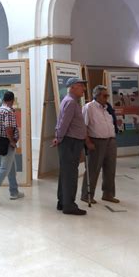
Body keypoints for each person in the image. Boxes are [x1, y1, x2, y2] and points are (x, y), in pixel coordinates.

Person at [51, 78, 88, 215]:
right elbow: (64, 123)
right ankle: (69, 205)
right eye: (80, 86)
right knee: (71, 174)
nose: (83, 89)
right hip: (71, 142)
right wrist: (59, 137)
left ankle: (62, 202)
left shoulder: (68, 100)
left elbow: (61, 122)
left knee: (66, 173)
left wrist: (58, 137)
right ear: (72, 87)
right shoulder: (71, 102)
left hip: (69, 141)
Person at [81, 85, 120, 204]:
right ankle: (86, 195)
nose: (107, 97)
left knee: (110, 169)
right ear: (97, 96)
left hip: (110, 141)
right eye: (105, 95)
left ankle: (108, 194)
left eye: (107, 95)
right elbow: (84, 126)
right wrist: (87, 142)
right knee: (93, 169)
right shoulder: (89, 107)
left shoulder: (107, 107)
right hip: (96, 141)